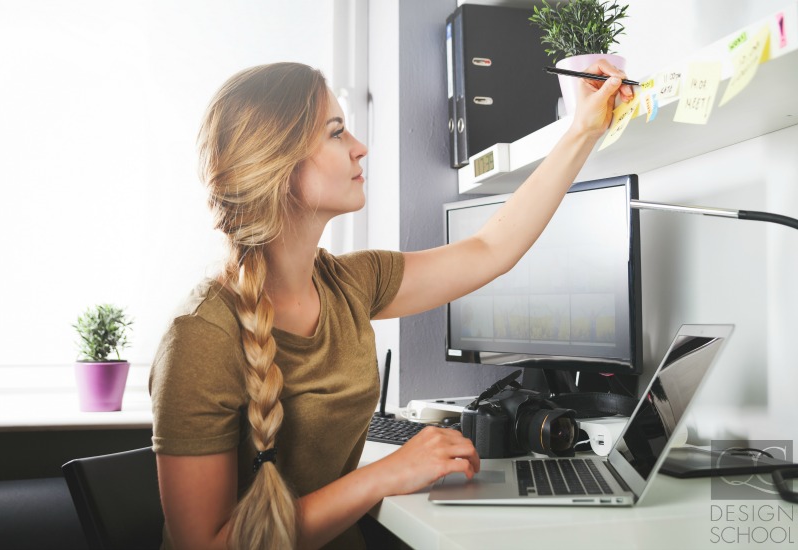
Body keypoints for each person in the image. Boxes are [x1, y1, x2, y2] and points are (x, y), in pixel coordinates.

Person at [149, 60, 633, 550]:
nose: (360, 146)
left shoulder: (349, 283)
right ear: (279, 165)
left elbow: (491, 250)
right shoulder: (199, 336)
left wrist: (582, 131)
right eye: (336, 133)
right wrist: (384, 475)